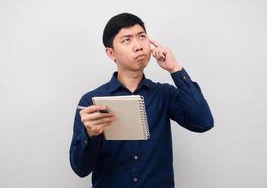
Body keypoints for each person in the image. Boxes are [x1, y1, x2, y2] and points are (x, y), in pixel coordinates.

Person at [69, 12, 214, 188]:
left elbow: (203, 122)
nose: (138, 45)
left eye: (142, 36)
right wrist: (89, 134)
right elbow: (80, 169)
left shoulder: (164, 94)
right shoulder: (92, 101)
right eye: (127, 40)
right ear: (111, 53)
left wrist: (175, 69)